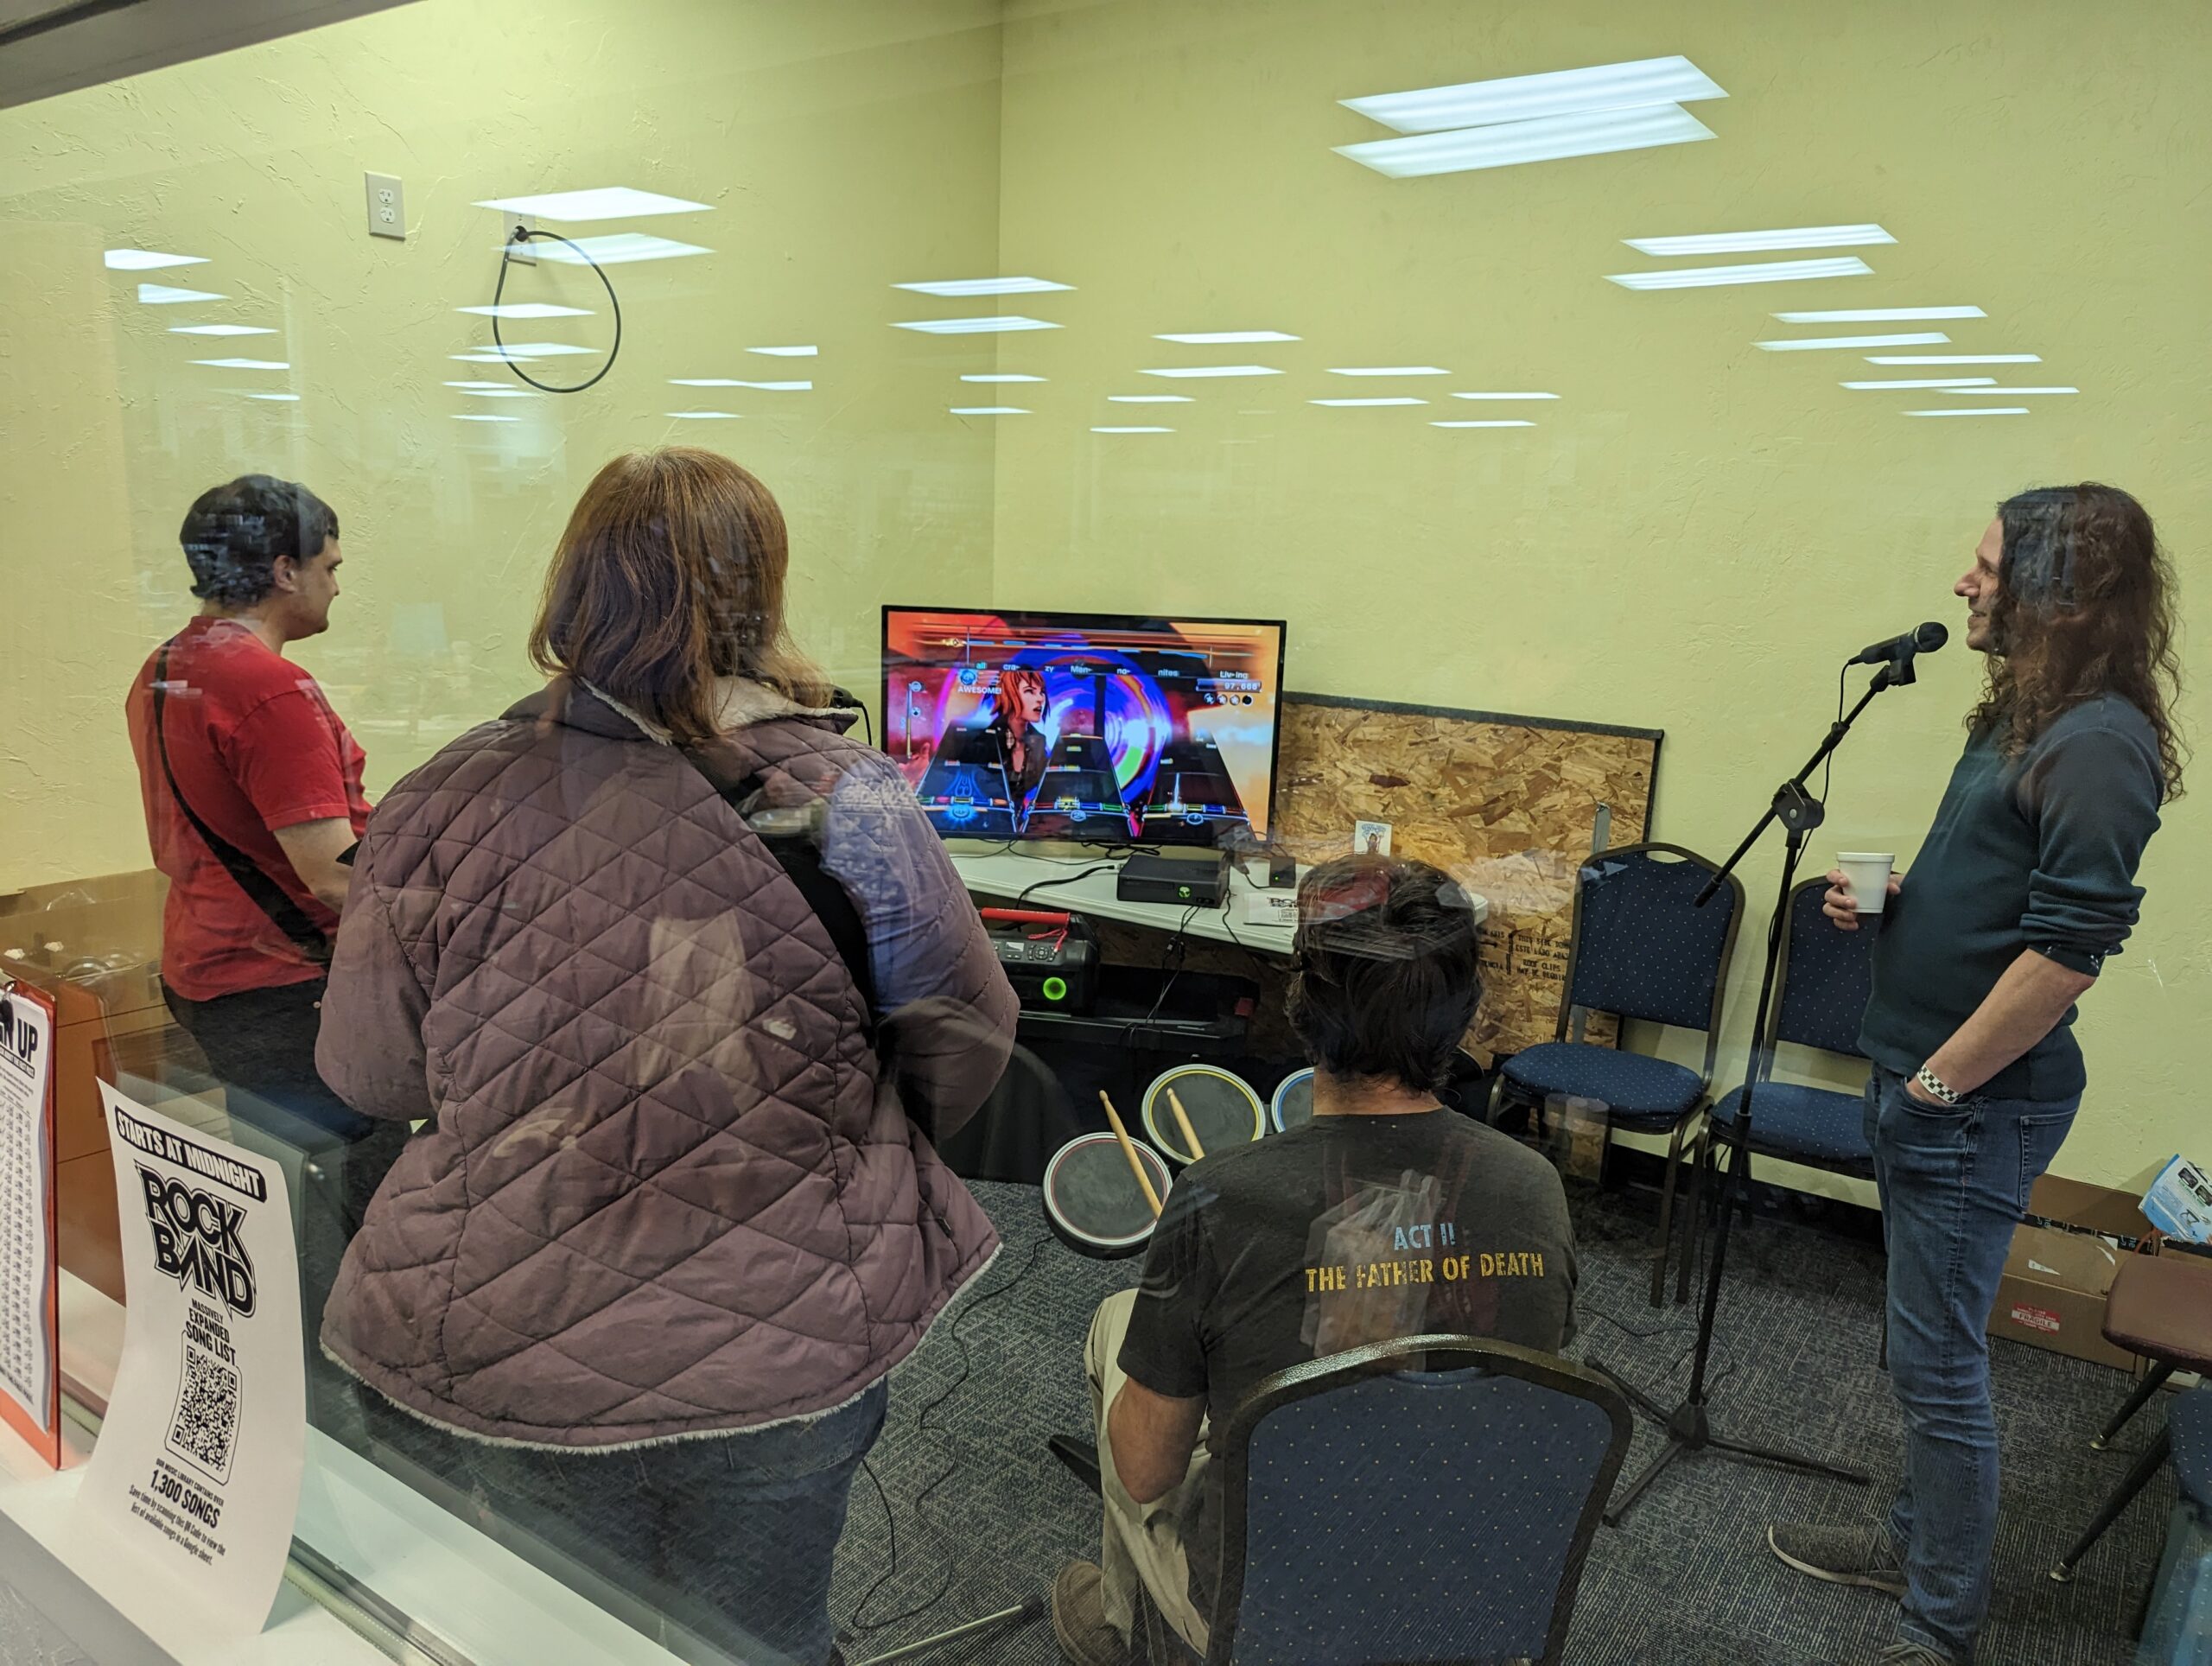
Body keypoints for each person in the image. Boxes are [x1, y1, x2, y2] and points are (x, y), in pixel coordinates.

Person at [314, 448, 1019, 1666]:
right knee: (765, 1636)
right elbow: (964, 1042)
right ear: (763, 591)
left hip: (520, 1331)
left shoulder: (440, 802)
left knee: (558, 1635)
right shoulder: (851, 799)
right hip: (789, 1324)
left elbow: (372, 1079)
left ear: (573, 589)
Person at [1767, 485, 2184, 1666]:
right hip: (1929, 1084)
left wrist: (1938, 1088)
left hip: (1970, 1102)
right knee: (1919, 1351)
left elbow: (2067, 958)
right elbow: (2009, 904)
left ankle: (1938, 1621)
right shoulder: (2023, 717)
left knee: (1944, 1369)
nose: (1964, 582)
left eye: (1989, 566)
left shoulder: (2098, 741)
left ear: (2062, 589)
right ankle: (1916, 1544)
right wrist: (1894, 901)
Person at [1053, 855, 1578, 1666]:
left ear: (1302, 1010)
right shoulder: (1537, 1188)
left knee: (1113, 1327)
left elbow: (1147, 1469)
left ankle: (1138, 1634)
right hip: (1469, 1599)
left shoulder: (1215, 1195)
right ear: (1464, 1016)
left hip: (1273, 1618)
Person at [124, 476, 404, 1403]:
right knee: (357, 1198)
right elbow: (328, 869)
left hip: (207, 967)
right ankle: (359, 1402)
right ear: (283, 569)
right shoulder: (269, 686)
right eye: (329, 566)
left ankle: (291, 1380)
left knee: (272, 1189)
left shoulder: (168, 663)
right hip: (288, 985)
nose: (336, 584)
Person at [984, 664, 1051, 809]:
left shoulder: (1039, 742)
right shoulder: (985, 741)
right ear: (1009, 695)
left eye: (1042, 692)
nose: (1040, 698)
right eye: (1030, 691)